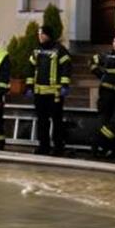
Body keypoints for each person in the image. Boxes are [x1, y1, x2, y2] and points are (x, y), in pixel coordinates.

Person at [26, 25, 72, 156]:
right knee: (42, 121)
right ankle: (43, 146)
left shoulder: (60, 50)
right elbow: (30, 68)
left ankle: (58, 147)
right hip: (39, 92)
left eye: (42, 34)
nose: (40, 36)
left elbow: (66, 68)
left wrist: (64, 85)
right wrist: (29, 86)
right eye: (39, 34)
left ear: (49, 35)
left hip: (55, 93)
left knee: (57, 121)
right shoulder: (36, 50)